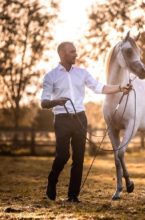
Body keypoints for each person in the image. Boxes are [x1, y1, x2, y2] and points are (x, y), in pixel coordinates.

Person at [41, 42, 131, 203]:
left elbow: (99, 88)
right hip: (62, 119)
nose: (76, 54)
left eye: (76, 51)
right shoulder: (50, 76)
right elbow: (44, 102)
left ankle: (73, 196)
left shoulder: (82, 73)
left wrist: (119, 87)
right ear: (62, 53)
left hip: (80, 118)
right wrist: (57, 101)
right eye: (72, 52)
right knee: (63, 155)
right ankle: (52, 180)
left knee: (79, 158)